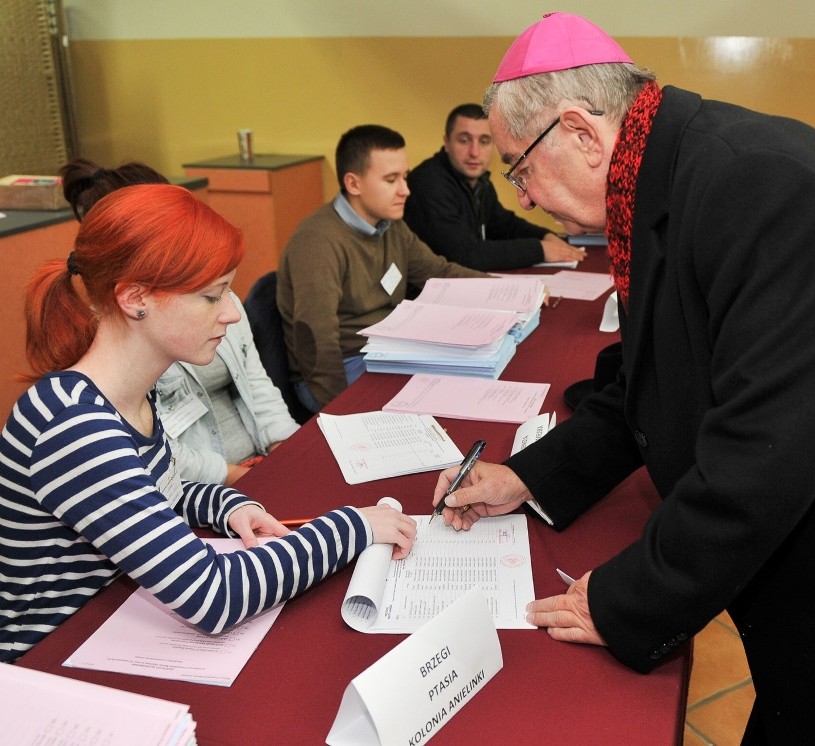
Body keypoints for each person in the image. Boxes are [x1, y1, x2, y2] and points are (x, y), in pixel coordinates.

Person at [431, 13, 815, 743]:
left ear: (582, 133)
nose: (522, 198)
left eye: (519, 167)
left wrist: (628, 599)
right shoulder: (660, 181)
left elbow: (765, 455)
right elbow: (648, 376)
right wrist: (528, 478)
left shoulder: (756, 186)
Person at [0, 184, 416, 663]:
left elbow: (160, 493)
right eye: (211, 296)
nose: (232, 313)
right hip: (48, 662)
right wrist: (353, 528)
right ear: (136, 298)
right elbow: (214, 598)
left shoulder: (129, 394)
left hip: (109, 625)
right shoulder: (71, 423)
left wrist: (223, 506)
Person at [59, 158, 299, 486]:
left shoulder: (198, 306)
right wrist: (242, 481)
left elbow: (255, 381)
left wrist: (288, 451)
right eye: (212, 295)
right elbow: (164, 474)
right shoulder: (97, 394)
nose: (232, 312)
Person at [277, 124, 487, 413]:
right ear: (354, 184)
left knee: (469, 383)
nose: (405, 190)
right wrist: (343, 412)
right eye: (391, 180)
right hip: (337, 370)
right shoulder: (318, 241)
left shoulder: (391, 226)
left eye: (405, 177)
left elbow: (440, 272)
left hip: (386, 351)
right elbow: (317, 342)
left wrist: (511, 293)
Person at [404, 103, 585, 271]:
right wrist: (540, 249)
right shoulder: (429, 183)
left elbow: (502, 224)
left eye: (484, 141)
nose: (474, 152)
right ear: (447, 142)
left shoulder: (479, 181)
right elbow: (465, 255)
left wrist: (545, 236)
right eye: (464, 140)